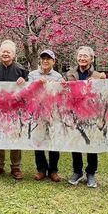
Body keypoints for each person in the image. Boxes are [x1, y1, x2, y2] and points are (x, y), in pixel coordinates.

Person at [65, 45, 106, 188]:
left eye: (85, 56)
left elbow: (103, 94)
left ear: (91, 59)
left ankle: (91, 173)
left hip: (91, 114)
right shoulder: (70, 74)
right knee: (75, 143)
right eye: (80, 56)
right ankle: (77, 171)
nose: (82, 58)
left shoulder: (98, 76)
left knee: (91, 143)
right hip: (74, 113)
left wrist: (103, 80)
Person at [0, 40, 28, 180]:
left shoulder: (20, 69)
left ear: (14, 54)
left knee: (15, 137)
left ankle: (15, 167)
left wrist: (24, 81)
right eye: (3, 51)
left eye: (8, 51)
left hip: (15, 110)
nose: (5, 53)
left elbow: (28, 87)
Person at [28, 49, 64, 182]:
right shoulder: (32, 75)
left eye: (48, 58)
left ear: (53, 61)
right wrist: (37, 83)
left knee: (53, 140)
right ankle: (41, 169)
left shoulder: (58, 77)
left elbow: (62, 93)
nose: (45, 60)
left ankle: (53, 170)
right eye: (43, 58)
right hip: (37, 112)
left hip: (53, 113)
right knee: (39, 141)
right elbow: (28, 91)